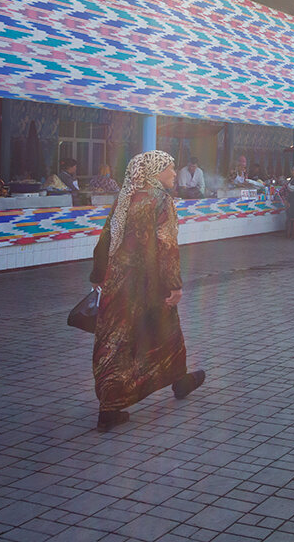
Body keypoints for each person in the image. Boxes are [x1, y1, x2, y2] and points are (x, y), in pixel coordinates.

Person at [89, 150, 204, 432]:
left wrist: (98, 273)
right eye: (169, 168)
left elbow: (107, 236)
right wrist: (173, 284)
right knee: (166, 333)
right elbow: (167, 246)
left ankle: (110, 408)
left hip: (118, 284)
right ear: (154, 172)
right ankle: (178, 381)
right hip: (149, 284)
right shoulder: (161, 200)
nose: (174, 173)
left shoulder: (125, 197)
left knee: (115, 341)